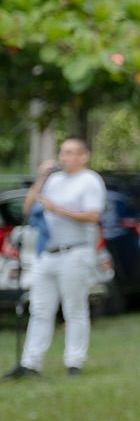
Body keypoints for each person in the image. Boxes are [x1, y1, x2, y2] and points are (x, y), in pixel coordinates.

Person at [3, 137, 106, 379]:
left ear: (83, 156)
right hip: (46, 253)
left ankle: (74, 361)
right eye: (62, 152)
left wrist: (57, 210)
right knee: (39, 308)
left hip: (75, 252)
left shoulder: (89, 181)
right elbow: (28, 208)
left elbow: (92, 216)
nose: (64, 157)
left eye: (70, 152)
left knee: (74, 308)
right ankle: (30, 363)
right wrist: (41, 179)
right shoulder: (53, 180)